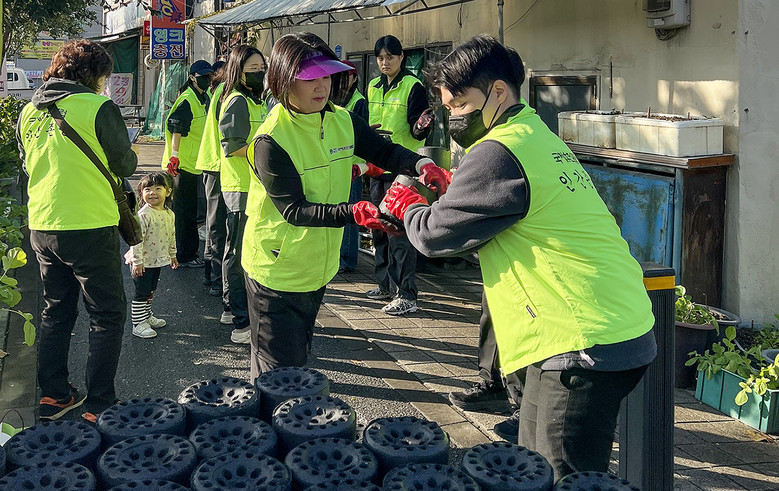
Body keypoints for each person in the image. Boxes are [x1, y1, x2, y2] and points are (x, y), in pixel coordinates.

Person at [382, 35, 657, 480]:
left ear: (498, 92)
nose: (454, 117)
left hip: (581, 340)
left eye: (460, 104)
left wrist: (408, 206)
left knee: (559, 475)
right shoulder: (534, 135)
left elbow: (434, 235)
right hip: (609, 325)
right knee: (533, 464)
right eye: (448, 108)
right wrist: (451, 191)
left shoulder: (498, 151)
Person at [243, 32, 449, 380]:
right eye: (309, 78)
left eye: (326, 74)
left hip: (317, 266)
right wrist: (355, 212)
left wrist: (421, 165)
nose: (321, 86)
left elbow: (384, 151)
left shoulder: (342, 119)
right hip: (276, 269)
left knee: (297, 359)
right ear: (283, 79)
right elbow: (295, 210)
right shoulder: (271, 139)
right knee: (276, 374)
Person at [16, 39, 137, 422]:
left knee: (56, 310)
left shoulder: (29, 111)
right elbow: (126, 164)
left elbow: (27, 164)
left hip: (42, 225)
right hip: (89, 224)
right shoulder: (98, 107)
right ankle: (99, 404)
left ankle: (54, 396)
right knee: (106, 314)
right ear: (94, 74)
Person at [366, 34, 435, 316]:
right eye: (380, 58)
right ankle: (384, 284)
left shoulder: (412, 86)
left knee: (399, 232)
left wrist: (421, 126)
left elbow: (419, 130)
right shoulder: (372, 86)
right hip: (376, 168)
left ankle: (406, 294)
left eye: (390, 57)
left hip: (402, 171)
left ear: (401, 57)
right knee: (378, 228)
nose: (385, 63)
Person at [217, 45, 269, 344]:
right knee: (239, 254)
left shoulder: (254, 100)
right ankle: (240, 321)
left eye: (261, 68)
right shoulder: (237, 100)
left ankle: (231, 307)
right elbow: (233, 146)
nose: (259, 73)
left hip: (252, 186)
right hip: (240, 186)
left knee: (239, 250)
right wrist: (267, 154)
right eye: (253, 69)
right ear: (238, 71)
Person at [162, 59, 213, 268]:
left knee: (189, 210)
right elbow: (177, 127)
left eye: (209, 75)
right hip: (182, 164)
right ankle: (184, 255)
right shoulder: (187, 99)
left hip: (195, 162)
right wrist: (174, 155)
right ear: (192, 77)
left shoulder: (204, 97)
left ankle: (183, 252)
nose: (207, 79)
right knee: (185, 212)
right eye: (203, 76)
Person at [125, 173, 178, 339]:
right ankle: (138, 323)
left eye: (158, 189)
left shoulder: (169, 214)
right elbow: (136, 240)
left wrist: (173, 255)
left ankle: (147, 316)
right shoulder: (144, 215)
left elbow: (172, 235)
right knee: (141, 293)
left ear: (168, 192)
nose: (152, 193)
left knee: (151, 290)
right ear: (141, 192)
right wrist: (137, 262)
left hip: (156, 260)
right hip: (142, 261)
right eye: (147, 189)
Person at [196, 60, 228, 299]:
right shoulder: (227, 92)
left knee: (213, 222)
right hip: (218, 165)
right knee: (217, 225)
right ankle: (217, 279)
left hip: (214, 164)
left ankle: (211, 273)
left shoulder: (218, 91)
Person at [335, 60, 368, 273]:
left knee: (349, 212)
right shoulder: (336, 98)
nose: (342, 80)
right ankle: (338, 256)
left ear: (354, 78)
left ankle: (347, 259)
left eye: (346, 76)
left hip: (353, 165)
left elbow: (358, 133)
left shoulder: (358, 101)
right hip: (337, 162)